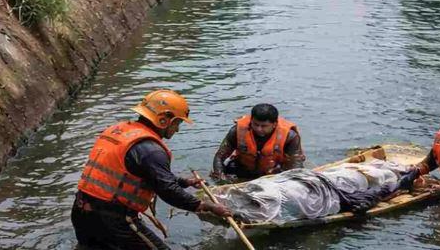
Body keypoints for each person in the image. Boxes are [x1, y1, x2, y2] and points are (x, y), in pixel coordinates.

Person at [72, 89, 232, 249]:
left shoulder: (118, 131)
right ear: (164, 120)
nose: (177, 130)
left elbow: (130, 175)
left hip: (81, 210)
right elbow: (167, 190)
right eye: (177, 123)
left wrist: (184, 182)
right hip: (114, 219)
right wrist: (203, 205)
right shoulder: (152, 150)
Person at [211, 104, 305, 181]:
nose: (258, 129)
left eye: (264, 126)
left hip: (274, 173)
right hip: (241, 169)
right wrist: (221, 177)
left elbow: (296, 164)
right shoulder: (236, 131)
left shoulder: (290, 137)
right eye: (255, 124)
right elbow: (220, 156)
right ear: (251, 121)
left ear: (274, 124)